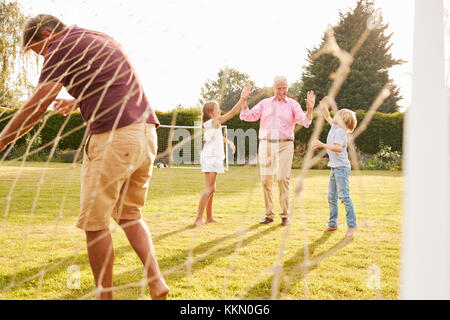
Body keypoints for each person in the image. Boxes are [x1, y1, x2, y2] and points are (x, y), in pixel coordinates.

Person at [0, 14, 169, 300]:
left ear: (44, 34)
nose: (43, 57)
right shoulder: (99, 37)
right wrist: (78, 100)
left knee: (95, 224)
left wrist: (2, 139)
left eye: (39, 51)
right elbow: (113, 83)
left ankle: (105, 297)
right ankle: (157, 282)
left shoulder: (60, 45)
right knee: (129, 214)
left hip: (113, 137)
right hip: (146, 133)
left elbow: (38, 104)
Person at [240, 76, 315, 226]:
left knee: (282, 178)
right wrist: (243, 100)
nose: (282, 91)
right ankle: (269, 215)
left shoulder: (293, 104)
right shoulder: (265, 103)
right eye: (279, 88)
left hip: (285, 145)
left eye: (284, 88)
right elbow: (248, 116)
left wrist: (310, 110)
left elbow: (305, 122)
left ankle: (285, 215)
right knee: (266, 180)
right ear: (274, 89)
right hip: (267, 144)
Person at [195, 84, 253, 227]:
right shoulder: (214, 121)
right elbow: (233, 112)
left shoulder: (212, 124)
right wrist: (242, 99)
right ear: (211, 112)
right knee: (209, 188)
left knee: (212, 188)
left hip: (212, 157)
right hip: (211, 158)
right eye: (218, 109)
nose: (220, 110)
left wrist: (228, 142)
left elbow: (215, 137)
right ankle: (198, 219)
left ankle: (209, 217)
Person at [313, 97, 358, 238]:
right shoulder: (335, 126)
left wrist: (322, 145)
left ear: (343, 120)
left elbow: (338, 148)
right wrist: (323, 105)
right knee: (331, 197)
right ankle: (332, 224)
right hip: (335, 167)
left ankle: (352, 225)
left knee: (344, 196)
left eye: (337, 114)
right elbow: (327, 115)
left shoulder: (340, 132)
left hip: (342, 168)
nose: (335, 114)